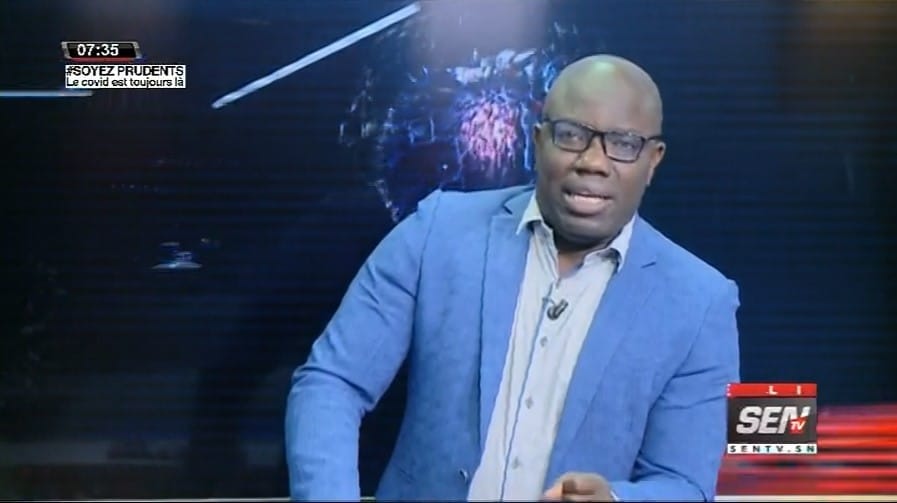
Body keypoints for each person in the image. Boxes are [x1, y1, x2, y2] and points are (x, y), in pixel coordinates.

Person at [285, 54, 740, 501]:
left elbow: (685, 483)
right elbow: (333, 382)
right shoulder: (436, 232)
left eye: (623, 143)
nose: (593, 162)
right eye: (571, 135)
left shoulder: (699, 302)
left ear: (653, 160)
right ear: (537, 140)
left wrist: (617, 501)